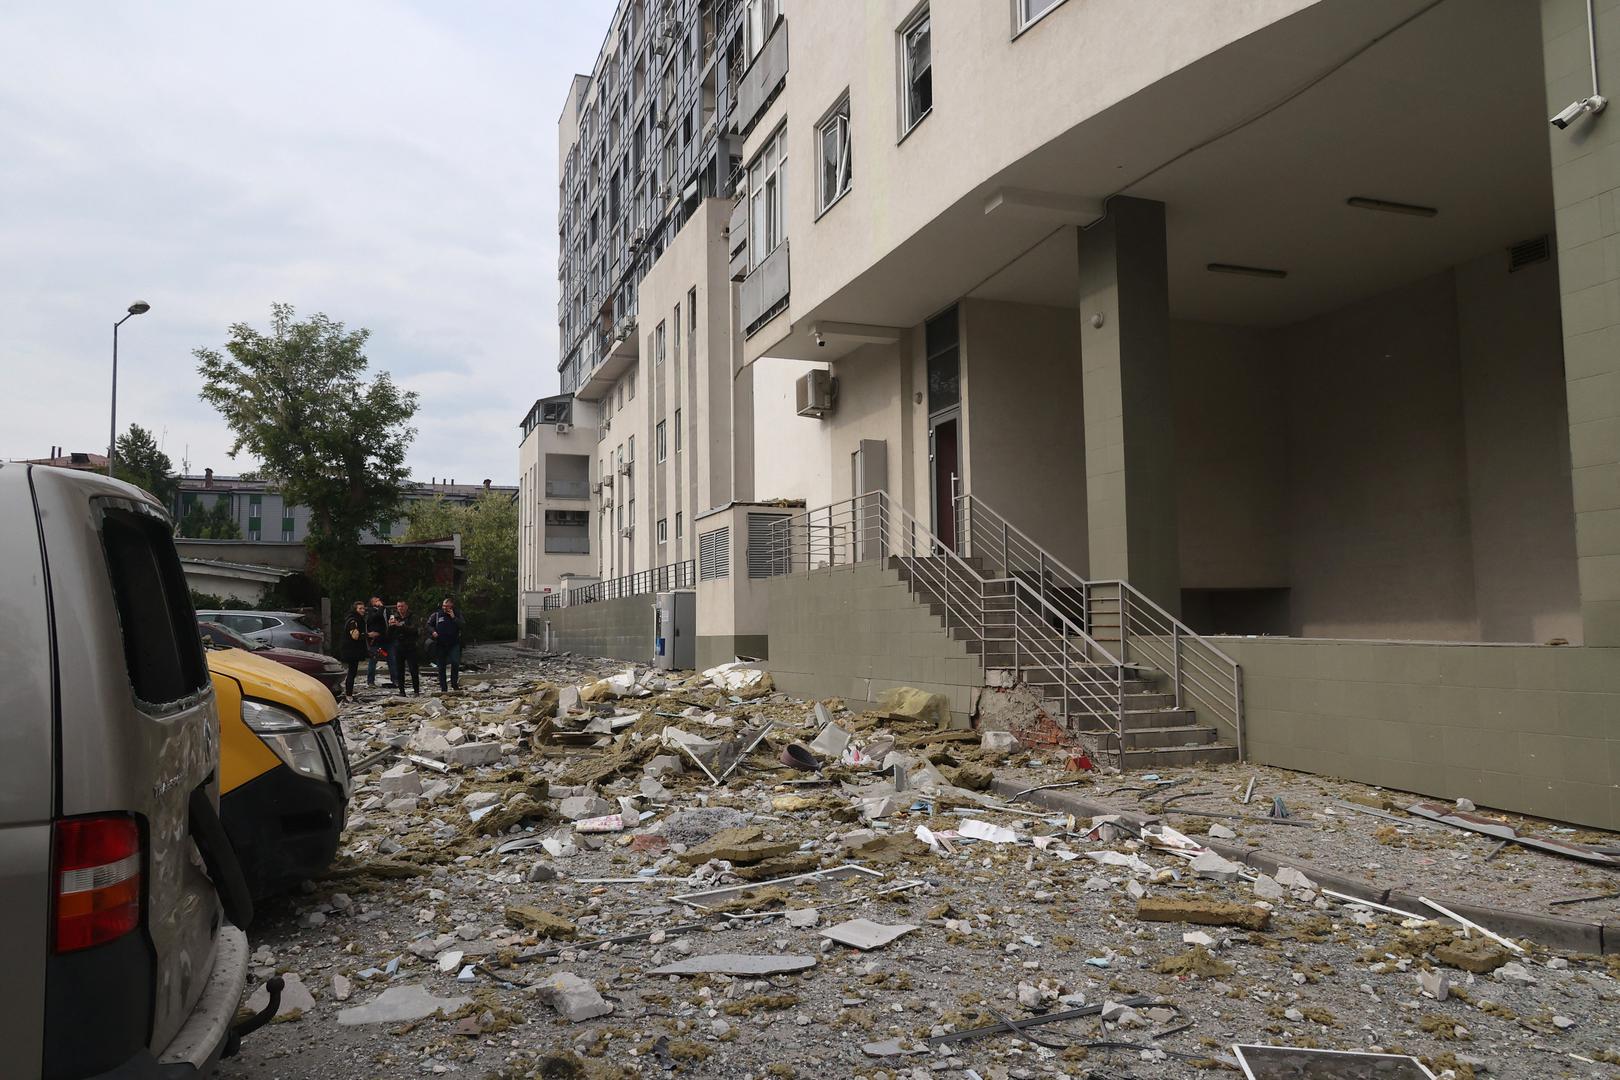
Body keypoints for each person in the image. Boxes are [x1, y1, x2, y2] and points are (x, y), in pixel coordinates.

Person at [427, 596, 464, 692]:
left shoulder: (457, 613)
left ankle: (454, 684)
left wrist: (453, 617)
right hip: (440, 643)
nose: (445, 608)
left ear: (452, 605)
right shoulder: (437, 614)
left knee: (455, 663)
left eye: (447, 606)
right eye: (444, 606)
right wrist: (433, 632)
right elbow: (429, 625)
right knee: (441, 666)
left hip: (454, 643)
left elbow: (462, 625)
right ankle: (443, 687)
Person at [386, 600, 421, 696]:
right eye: (398, 607)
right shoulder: (395, 617)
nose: (400, 608)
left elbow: (414, 630)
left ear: (406, 607)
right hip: (399, 646)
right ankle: (401, 691)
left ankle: (416, 691)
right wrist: (390, 626)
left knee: (413, 670)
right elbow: (389, 635)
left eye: (402, 606)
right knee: (399, 670)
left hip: (411, 646)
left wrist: (401, 626)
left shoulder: (412, 616)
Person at [339, 600, 368, 699]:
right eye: (360, 608)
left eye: (363, 608)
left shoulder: (355, 618)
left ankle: (349, 693)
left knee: (352, 672)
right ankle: (349, 694)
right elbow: (355, 636)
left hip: (352, 649)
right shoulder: (353, 620)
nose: (363, 610)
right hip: (351, 650)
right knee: (352, 672)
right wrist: (367, 635)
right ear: (355, 609)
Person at [364, 596, 390, 687]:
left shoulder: (385, 610)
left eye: (379, 600)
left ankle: (395, 679)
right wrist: (381, 607)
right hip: (375, 640)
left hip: (385, 638)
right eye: (376, 601)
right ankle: (370, 681)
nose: (378, 601)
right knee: (373, 659)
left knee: (391, 658)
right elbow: (377, 617)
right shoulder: (372, 611)